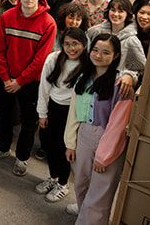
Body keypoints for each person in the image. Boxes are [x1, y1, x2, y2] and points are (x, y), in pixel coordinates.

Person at [0, 0, 56, 177]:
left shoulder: (48, 23)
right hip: (6, 78)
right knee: (3, 115)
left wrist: (20, 81)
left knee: (28, 121)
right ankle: (2, 147)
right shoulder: (7, 17)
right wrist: (6, 77)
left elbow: (41, 60)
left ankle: (22, 157)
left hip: (30, 82)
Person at [64, 34, 134, 224]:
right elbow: (74, 113)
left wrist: (104, 155)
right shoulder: (83, 78)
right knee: (81, 183)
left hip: (107, 139)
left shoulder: (121, 84)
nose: (98, 55)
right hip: (84, 135)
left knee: (100, 192)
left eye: (105, 52)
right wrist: (70, 143)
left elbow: (118, 125)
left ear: (116, 56)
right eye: (95, 50)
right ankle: (84, 215)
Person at [35, 28, 88, 203]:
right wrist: (42, 113)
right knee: (48, 144)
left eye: (76, 44)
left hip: (71, 113)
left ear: (84, 45)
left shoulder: (88, 65)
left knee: (63, 148)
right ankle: (53, 177)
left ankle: (63, 184)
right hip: (53, 107)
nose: (71, 48)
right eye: (67, 43)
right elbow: (44, 87)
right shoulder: (54, 58)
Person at [87, 0, 146, 74]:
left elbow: (143, 68)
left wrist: (130, 75)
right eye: (113, 10)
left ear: (128, 14)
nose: (116, 14)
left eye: (121, 11)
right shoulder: (95, 31)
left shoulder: (131, 40)